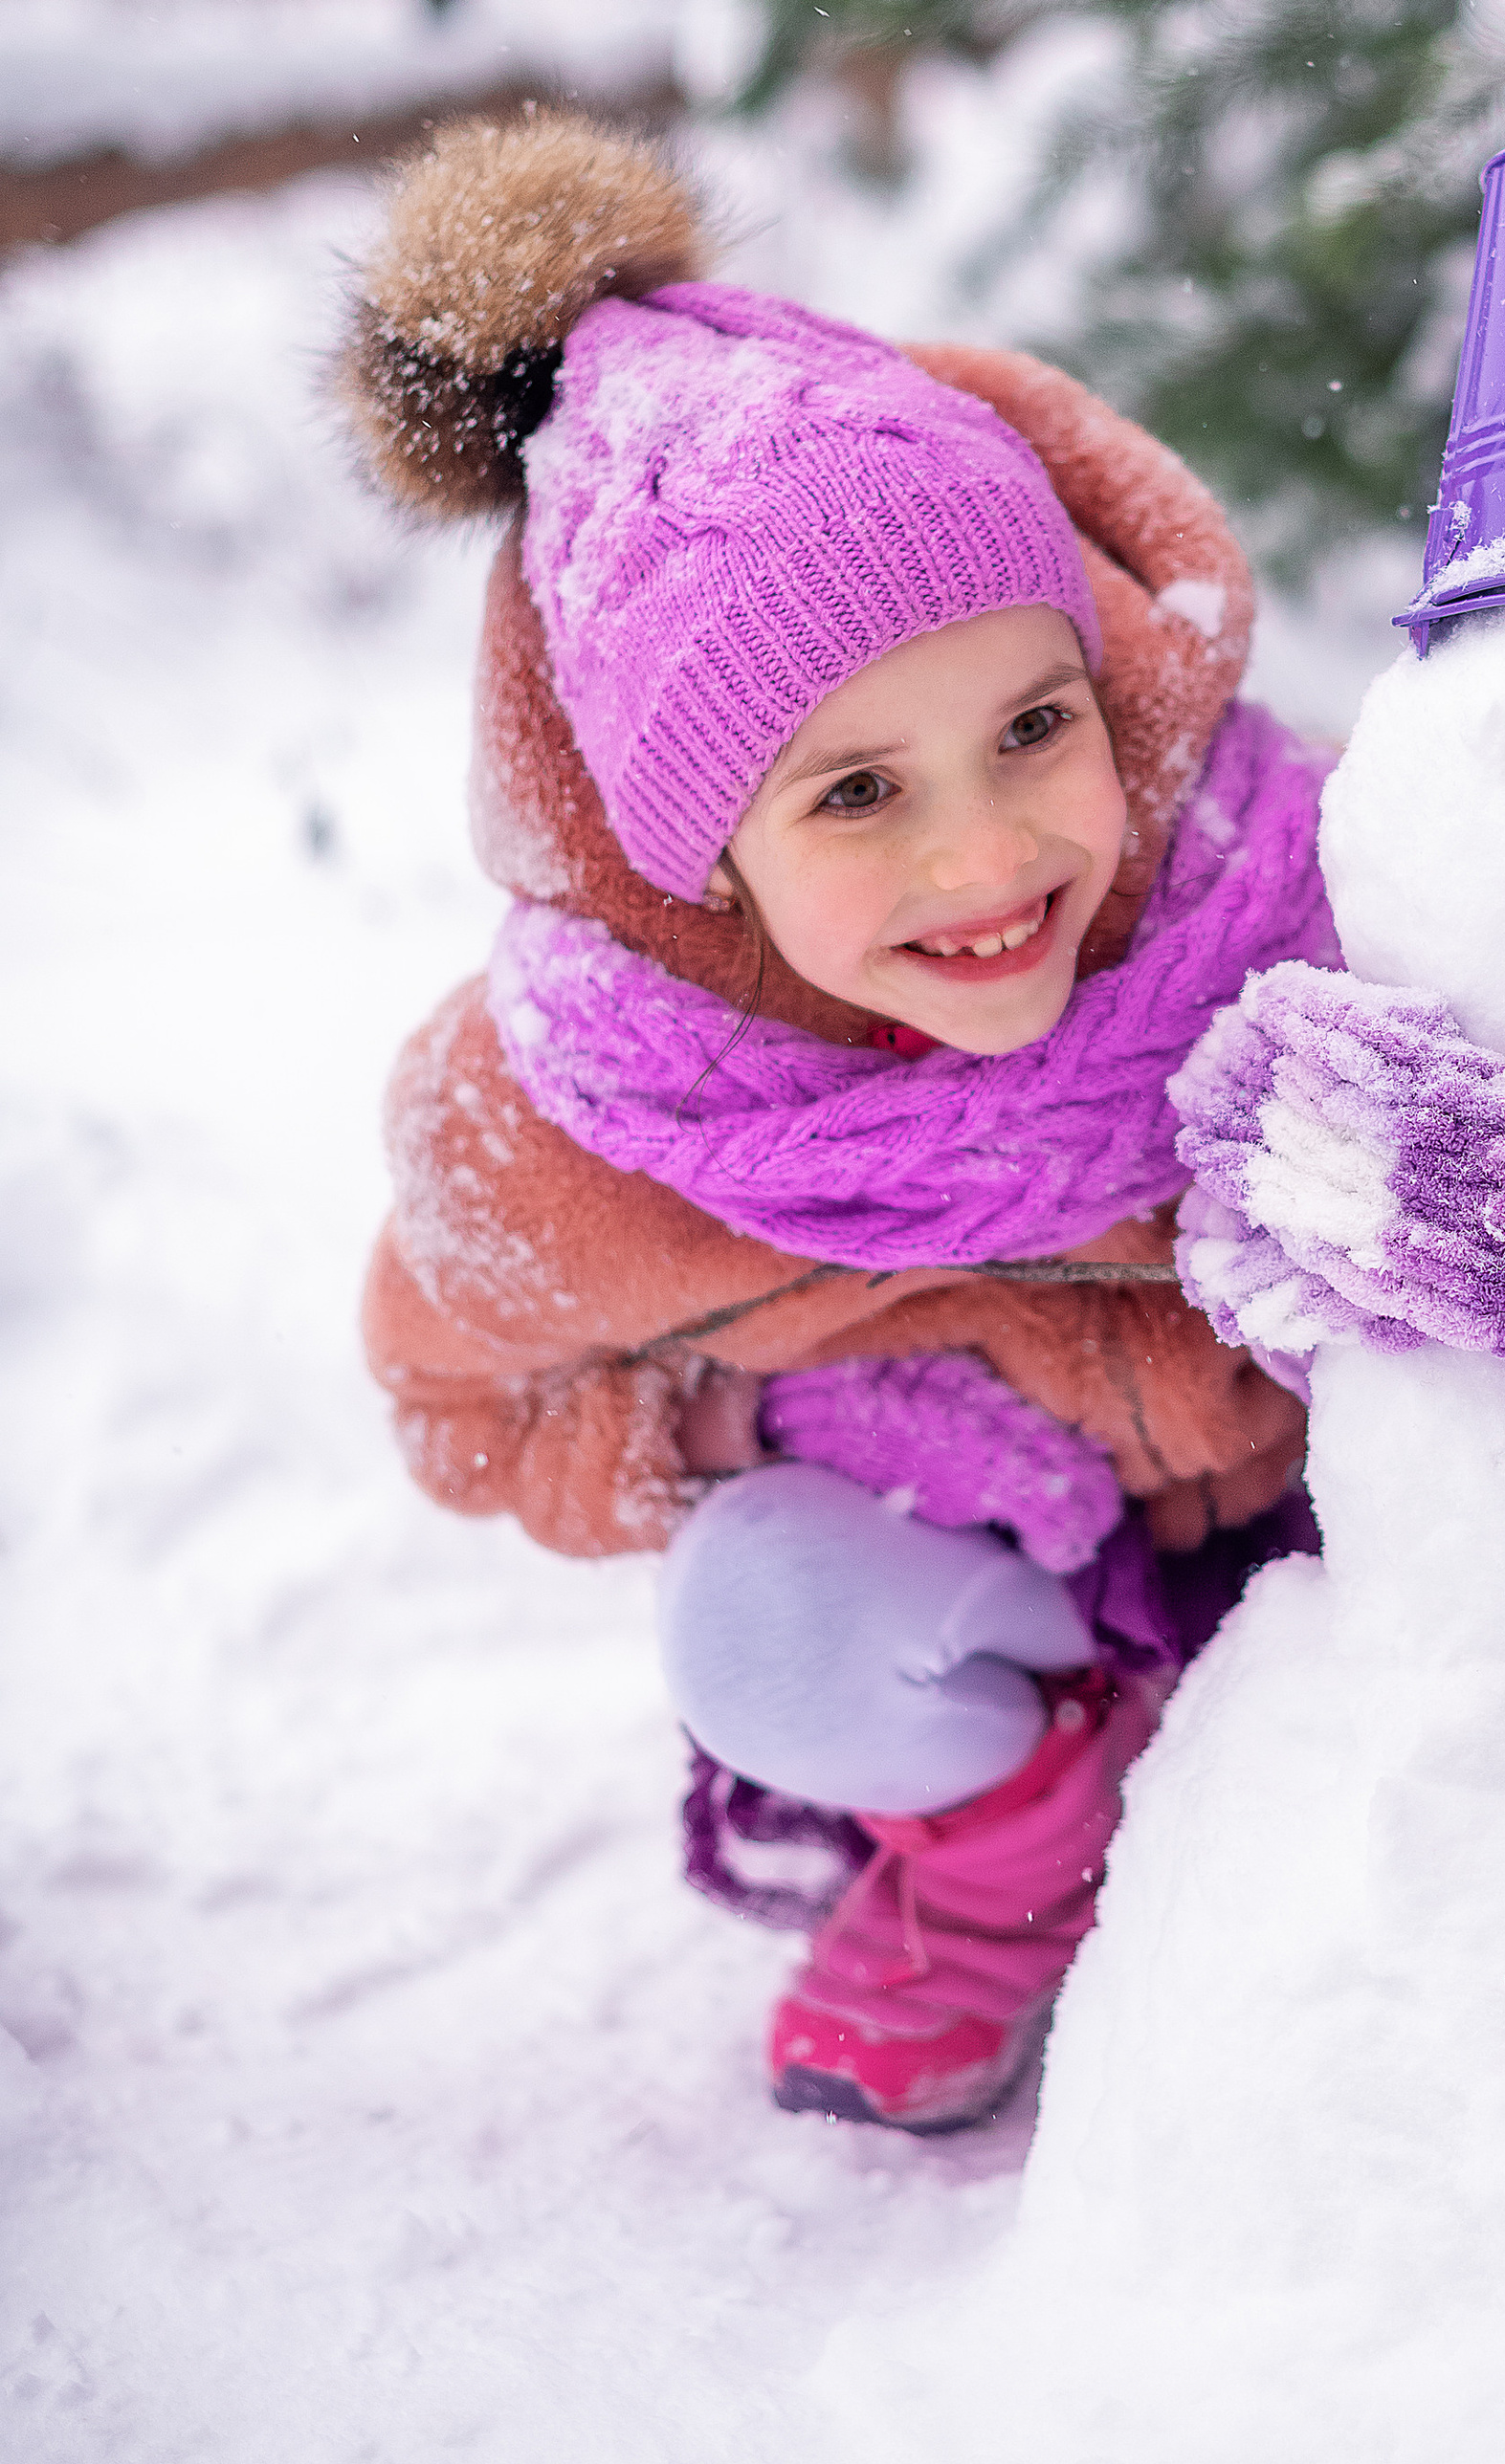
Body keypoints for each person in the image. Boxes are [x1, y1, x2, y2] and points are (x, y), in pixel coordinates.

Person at [346, 112, 1335, 2131]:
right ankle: (1007, 1858)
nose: (985, 853)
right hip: (977, 1588)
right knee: (774, 1612)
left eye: (1031, 729)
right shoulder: (584, 1113)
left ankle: (1325, 1819)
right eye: (855, 792)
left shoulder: (1283, 900)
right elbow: (461, 1405)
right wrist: (755, 1422)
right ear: (695, 853)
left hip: (1315, 1542)